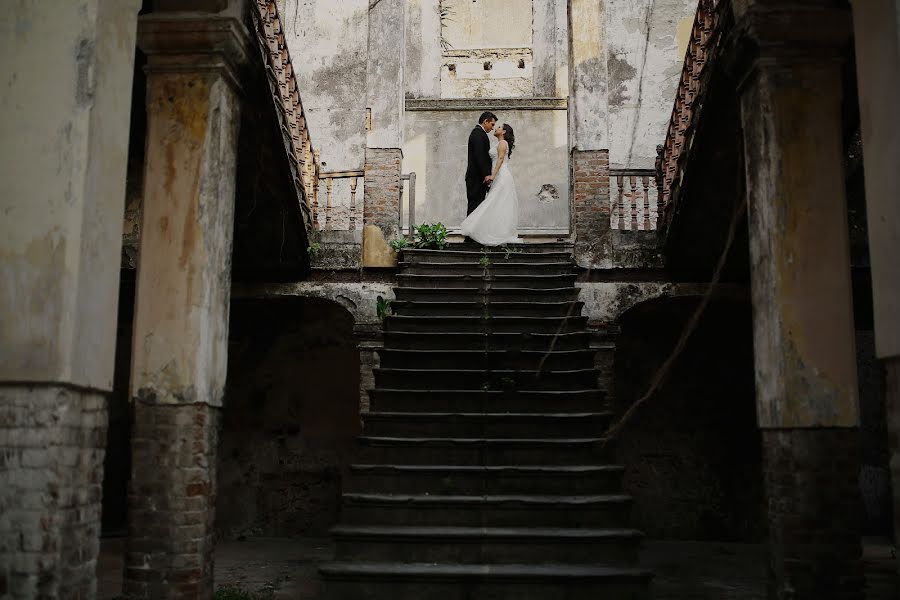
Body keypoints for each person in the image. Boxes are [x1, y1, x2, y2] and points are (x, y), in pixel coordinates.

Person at [460, 123, 522, 246]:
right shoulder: (498, 143)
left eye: (499, 127)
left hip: (501, 176)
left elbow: (500, 159)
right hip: (498, 175)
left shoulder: (503, 143)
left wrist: (493, 175)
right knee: (495, 203)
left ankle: (478, 228)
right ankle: (491, 231)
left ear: (503, 132)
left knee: (494, 202)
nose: (496, 128)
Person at [465, 111, 496, 215]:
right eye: (492, 124)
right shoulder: (477, 133)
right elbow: (480, 156)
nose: (492, 128)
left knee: (478, 207)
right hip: (476, 179)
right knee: (475, 207)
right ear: (485, 121)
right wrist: (486, 174)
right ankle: (469, 231)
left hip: (477, 178)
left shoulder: (479, 133)